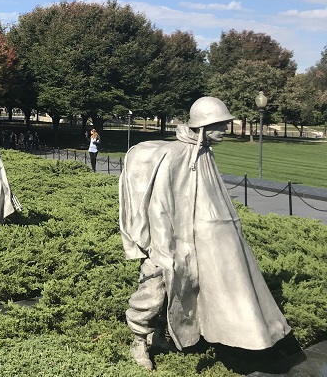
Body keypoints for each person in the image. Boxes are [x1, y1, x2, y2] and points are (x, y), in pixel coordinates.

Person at [119, 97, 290, 370]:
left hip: (200, 242)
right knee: (153, 291)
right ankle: (139, 341)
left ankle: (162, 336)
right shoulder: (175, 156)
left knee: (188, 291)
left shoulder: (204, 153)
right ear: (201, 126)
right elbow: (160, 206)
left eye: (224, 123)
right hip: (167, 243)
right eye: (218, 124)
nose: (224, 128)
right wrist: (163, 248)